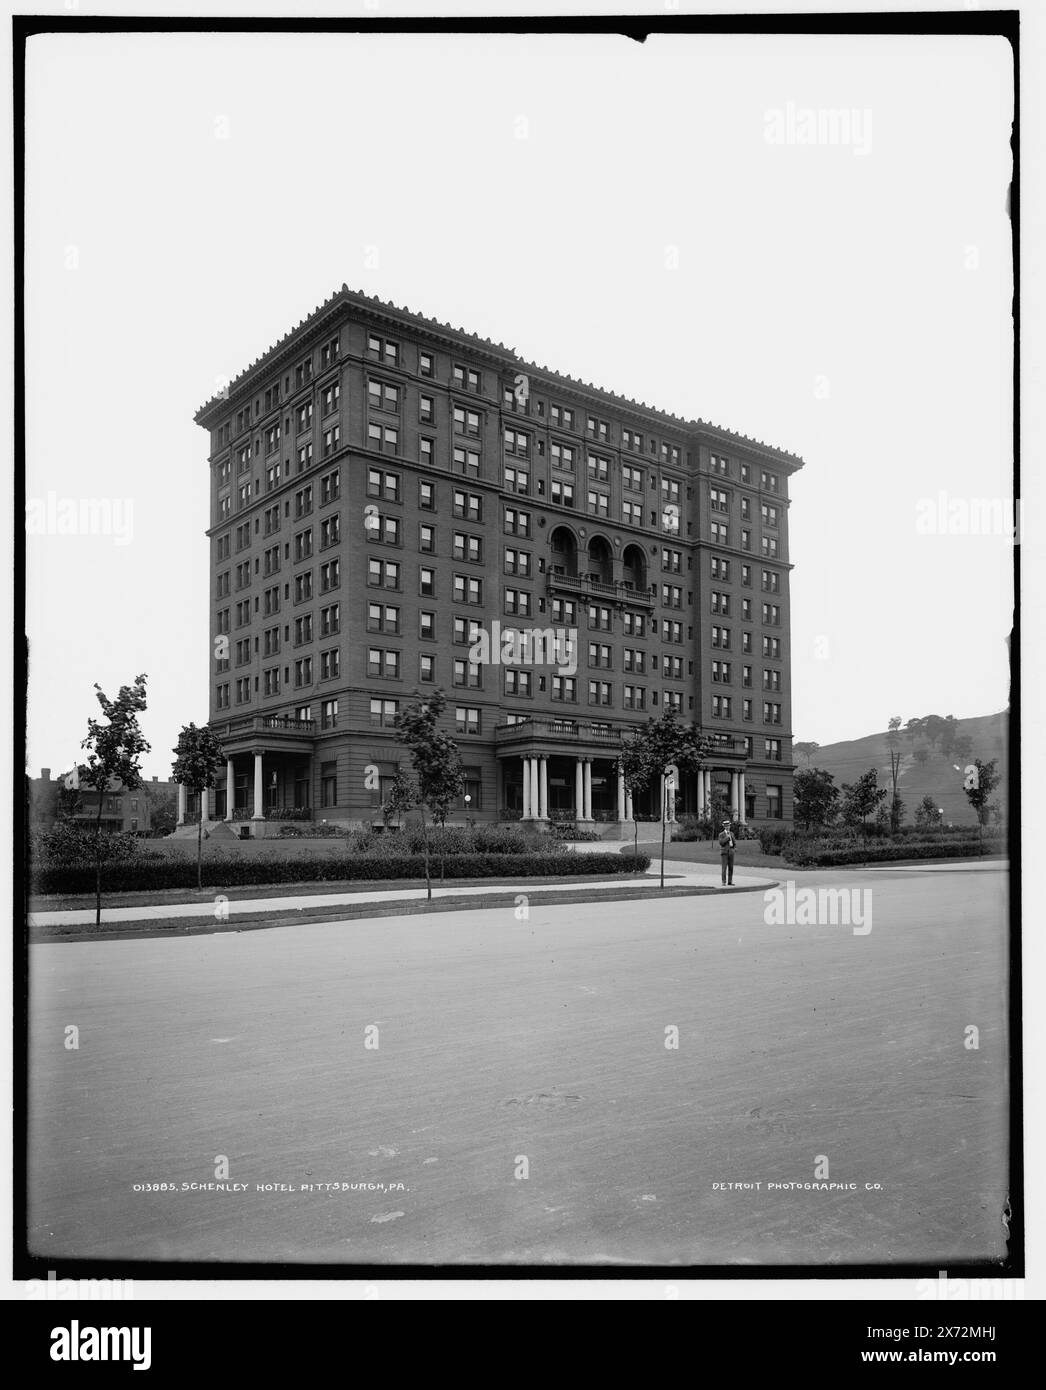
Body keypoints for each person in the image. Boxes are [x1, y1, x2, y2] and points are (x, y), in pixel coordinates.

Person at [718, 819, 736, 885]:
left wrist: (734, 848)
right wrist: (727, 838)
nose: (728, 827)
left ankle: (730, 881)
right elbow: (721, 843)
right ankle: (723, 881)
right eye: (726, 826)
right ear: (724, 827)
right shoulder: (721, 834)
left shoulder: (732, 834)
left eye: (729, 826)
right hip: (724, 853)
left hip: (731, 852)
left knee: (731, 867)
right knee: (724, 867)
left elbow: (734, 842)